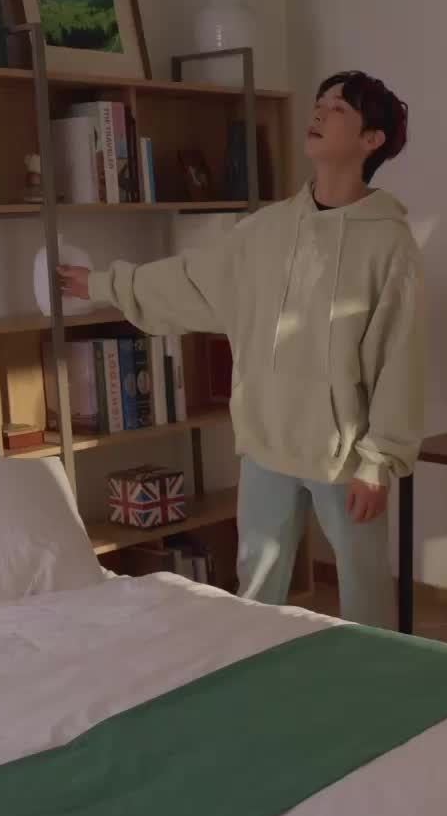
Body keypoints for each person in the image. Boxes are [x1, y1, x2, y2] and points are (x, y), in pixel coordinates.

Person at [59, 72, 423, 627]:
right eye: (319, 102)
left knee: (364, 592)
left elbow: (400, 356)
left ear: (371, 140)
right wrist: (102, 283)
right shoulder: (266, 230)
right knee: (256, 590)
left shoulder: (389, 242)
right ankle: (255, 673)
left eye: (338, 109)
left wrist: (378, 462)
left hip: (345, 453)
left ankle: (378, 680)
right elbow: (189, 279)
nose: (319, 113)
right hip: (265, 441)